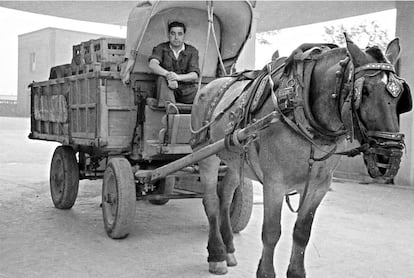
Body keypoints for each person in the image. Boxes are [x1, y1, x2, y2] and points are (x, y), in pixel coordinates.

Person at [148, 21, 200, 107]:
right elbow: (152, 65)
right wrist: (169, 76)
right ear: (168, 35)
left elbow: (194, 75)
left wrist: (178, 77)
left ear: (184, 36)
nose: (176, 37)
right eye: (173, 34)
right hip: (167, 88)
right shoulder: (161, 48)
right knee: (161, 79)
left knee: (201, 94)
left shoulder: (192, 51)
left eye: (180, 34)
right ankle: (170, 107)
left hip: (185, 90)